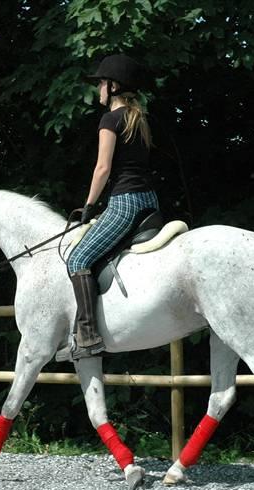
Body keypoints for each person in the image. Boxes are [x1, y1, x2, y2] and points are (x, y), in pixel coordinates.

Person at [60, 54, 160, 362]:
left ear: (114, 86)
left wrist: (89, 206)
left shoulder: (110, 120)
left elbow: (102, 168)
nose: (99, 88)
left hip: (125, 202)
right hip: (150, 201)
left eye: (102, 82)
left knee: (78, 258)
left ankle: (88, 335)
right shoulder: (138, 117)